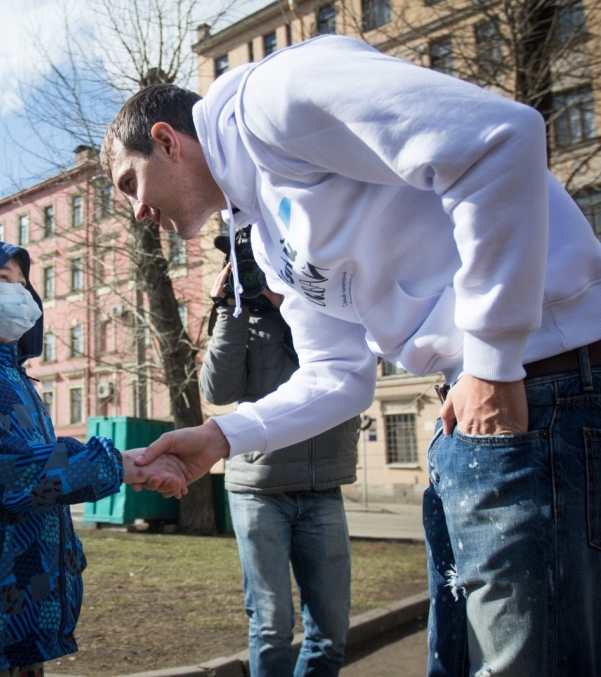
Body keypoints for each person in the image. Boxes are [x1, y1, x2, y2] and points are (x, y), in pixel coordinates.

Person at [103, 35, 601, 677]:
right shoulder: (264, 237)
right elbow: (337, 376)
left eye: (130, 182)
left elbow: (498, 139)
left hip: (545, 389)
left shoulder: (274, 99)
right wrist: (224, 435)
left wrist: (490, 357)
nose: (139, 211)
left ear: (168, 141)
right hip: (475, 415)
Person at [0, 237, 187, 676]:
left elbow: (40, 464)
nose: (18, 291)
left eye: (22, 281)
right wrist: (116, 466)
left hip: (19, 612)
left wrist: (126, 463)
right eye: (0, 279)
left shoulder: (11, 370)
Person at [201, 263, 358, 677]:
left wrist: (296, 301)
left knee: (331, 632)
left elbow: (357, 369)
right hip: (259, 490)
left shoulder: (329, 306)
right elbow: (217, 391)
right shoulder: (242, 320)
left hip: (323, 487)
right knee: (271, 626)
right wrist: (227, 308)